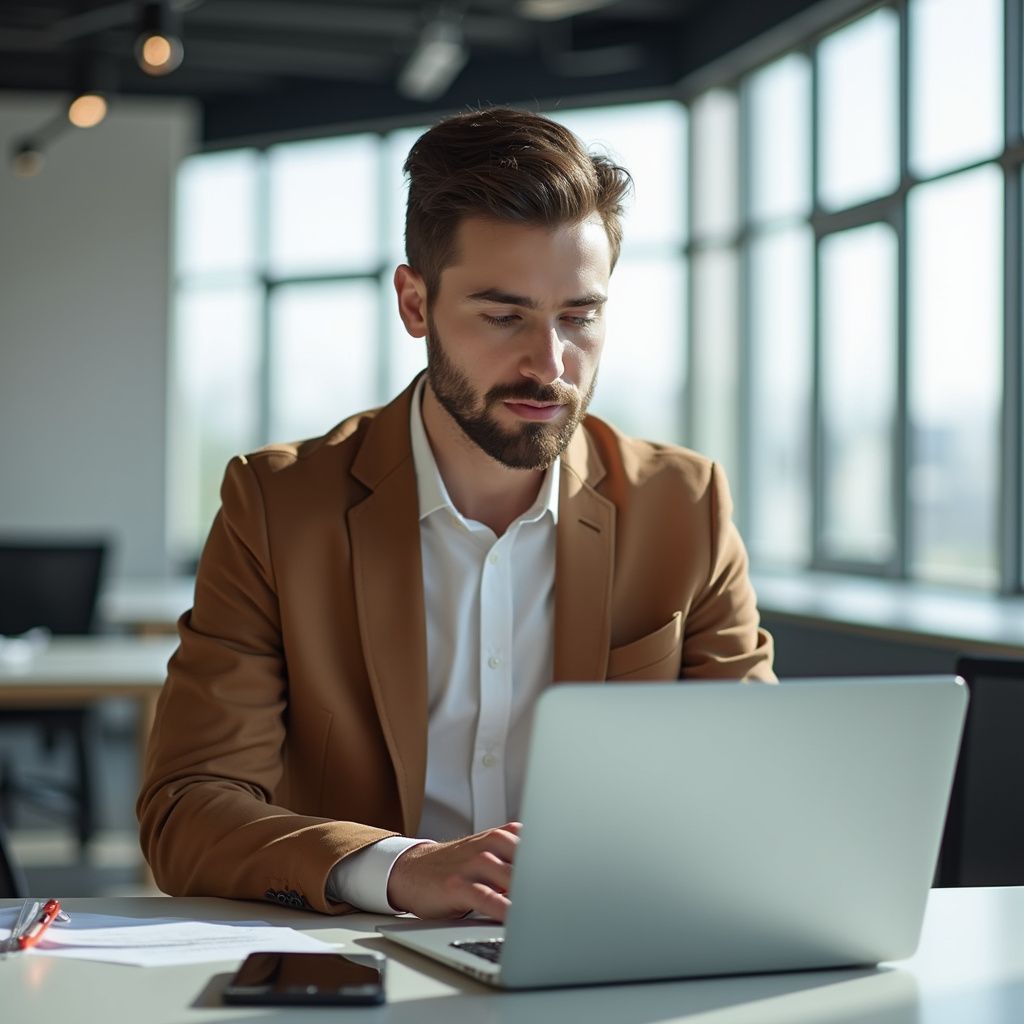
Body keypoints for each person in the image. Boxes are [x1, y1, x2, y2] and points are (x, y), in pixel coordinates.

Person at [137, 106, 774, 922]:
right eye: (504, 316)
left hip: (607, 952)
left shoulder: (683, 507)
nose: (550, 366)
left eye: (579, 317)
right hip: (364, 957)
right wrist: (403, 870)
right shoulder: (279, 507)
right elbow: (188, 808)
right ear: (415, 303)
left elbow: (752, 787)